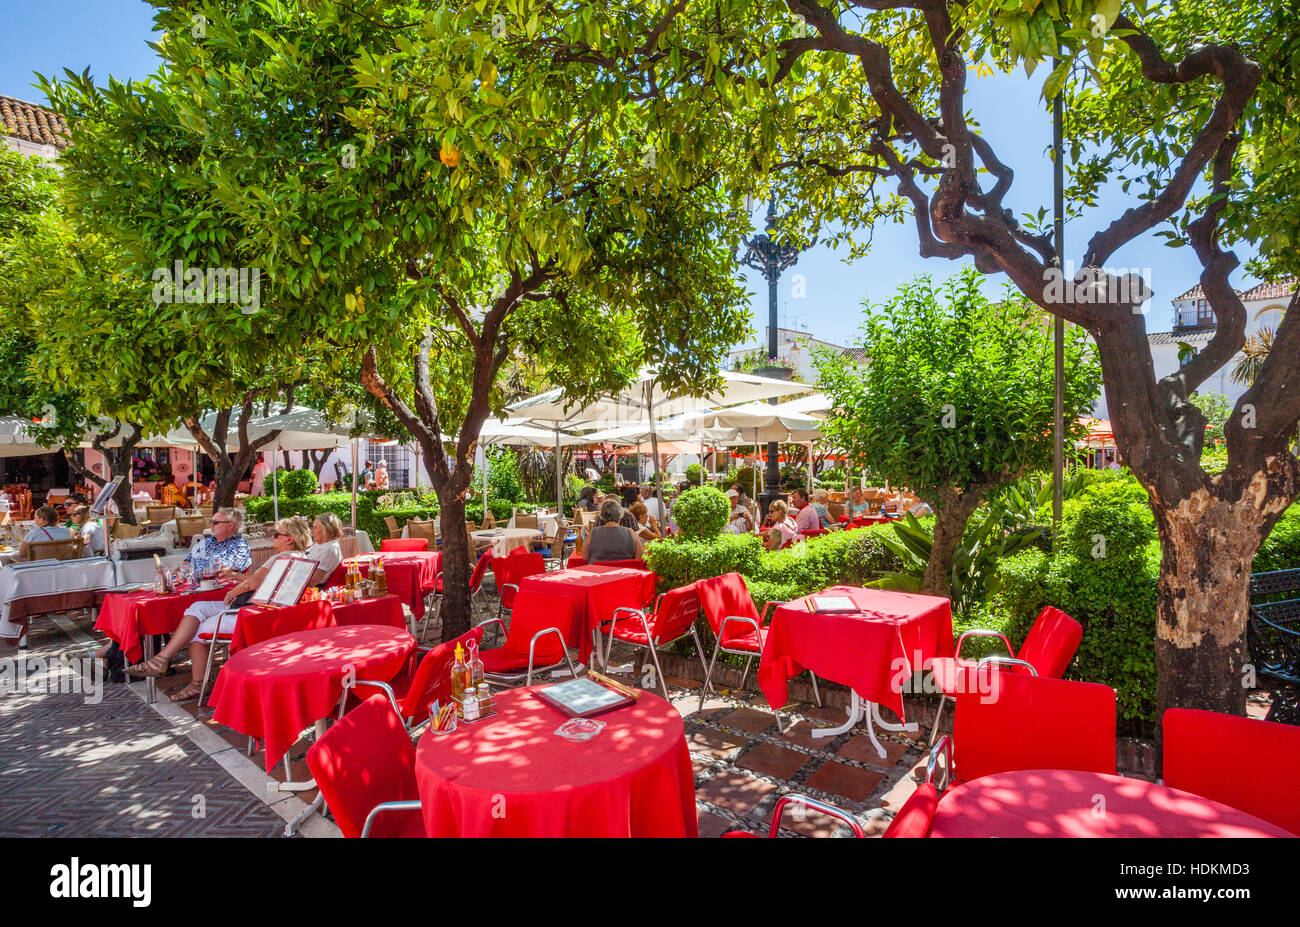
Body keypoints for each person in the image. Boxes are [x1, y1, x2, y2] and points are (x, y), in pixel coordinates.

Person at [126, 516, 312, 700]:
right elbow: (259, 581)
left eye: (276, 535)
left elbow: (252, 584)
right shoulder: (300, 557)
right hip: (262, 610)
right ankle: (162, 659)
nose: (272, 537)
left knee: (197, 630)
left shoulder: (281, 557)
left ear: (290, 539)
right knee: (197, 607)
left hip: (254, 613)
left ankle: (196, 683)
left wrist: (233, 593)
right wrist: (235, 577)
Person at [184, 508, 252, 580]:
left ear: (230, 525)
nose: (211, 525)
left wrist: (196, 572)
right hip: (195, 585)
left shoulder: (240, 545)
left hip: (221, 587)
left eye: (215, 523)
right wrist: (185, 573)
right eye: (211, 522)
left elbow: (224, 571)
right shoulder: (205, 542)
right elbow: (186, 563)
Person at [585, 498, 644, 563]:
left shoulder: (593, 533)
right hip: (625, 571)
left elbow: (585, 557)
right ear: (620, 515)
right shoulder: (631, 533)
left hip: (598, 572)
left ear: (602, 516)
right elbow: (640, 558)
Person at [303, 512, 345, 586]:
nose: (312, 531)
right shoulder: (323, 544)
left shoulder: (329, 549)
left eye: (315, 528)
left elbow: (312, 581)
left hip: (313, 590)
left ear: (328, 530)